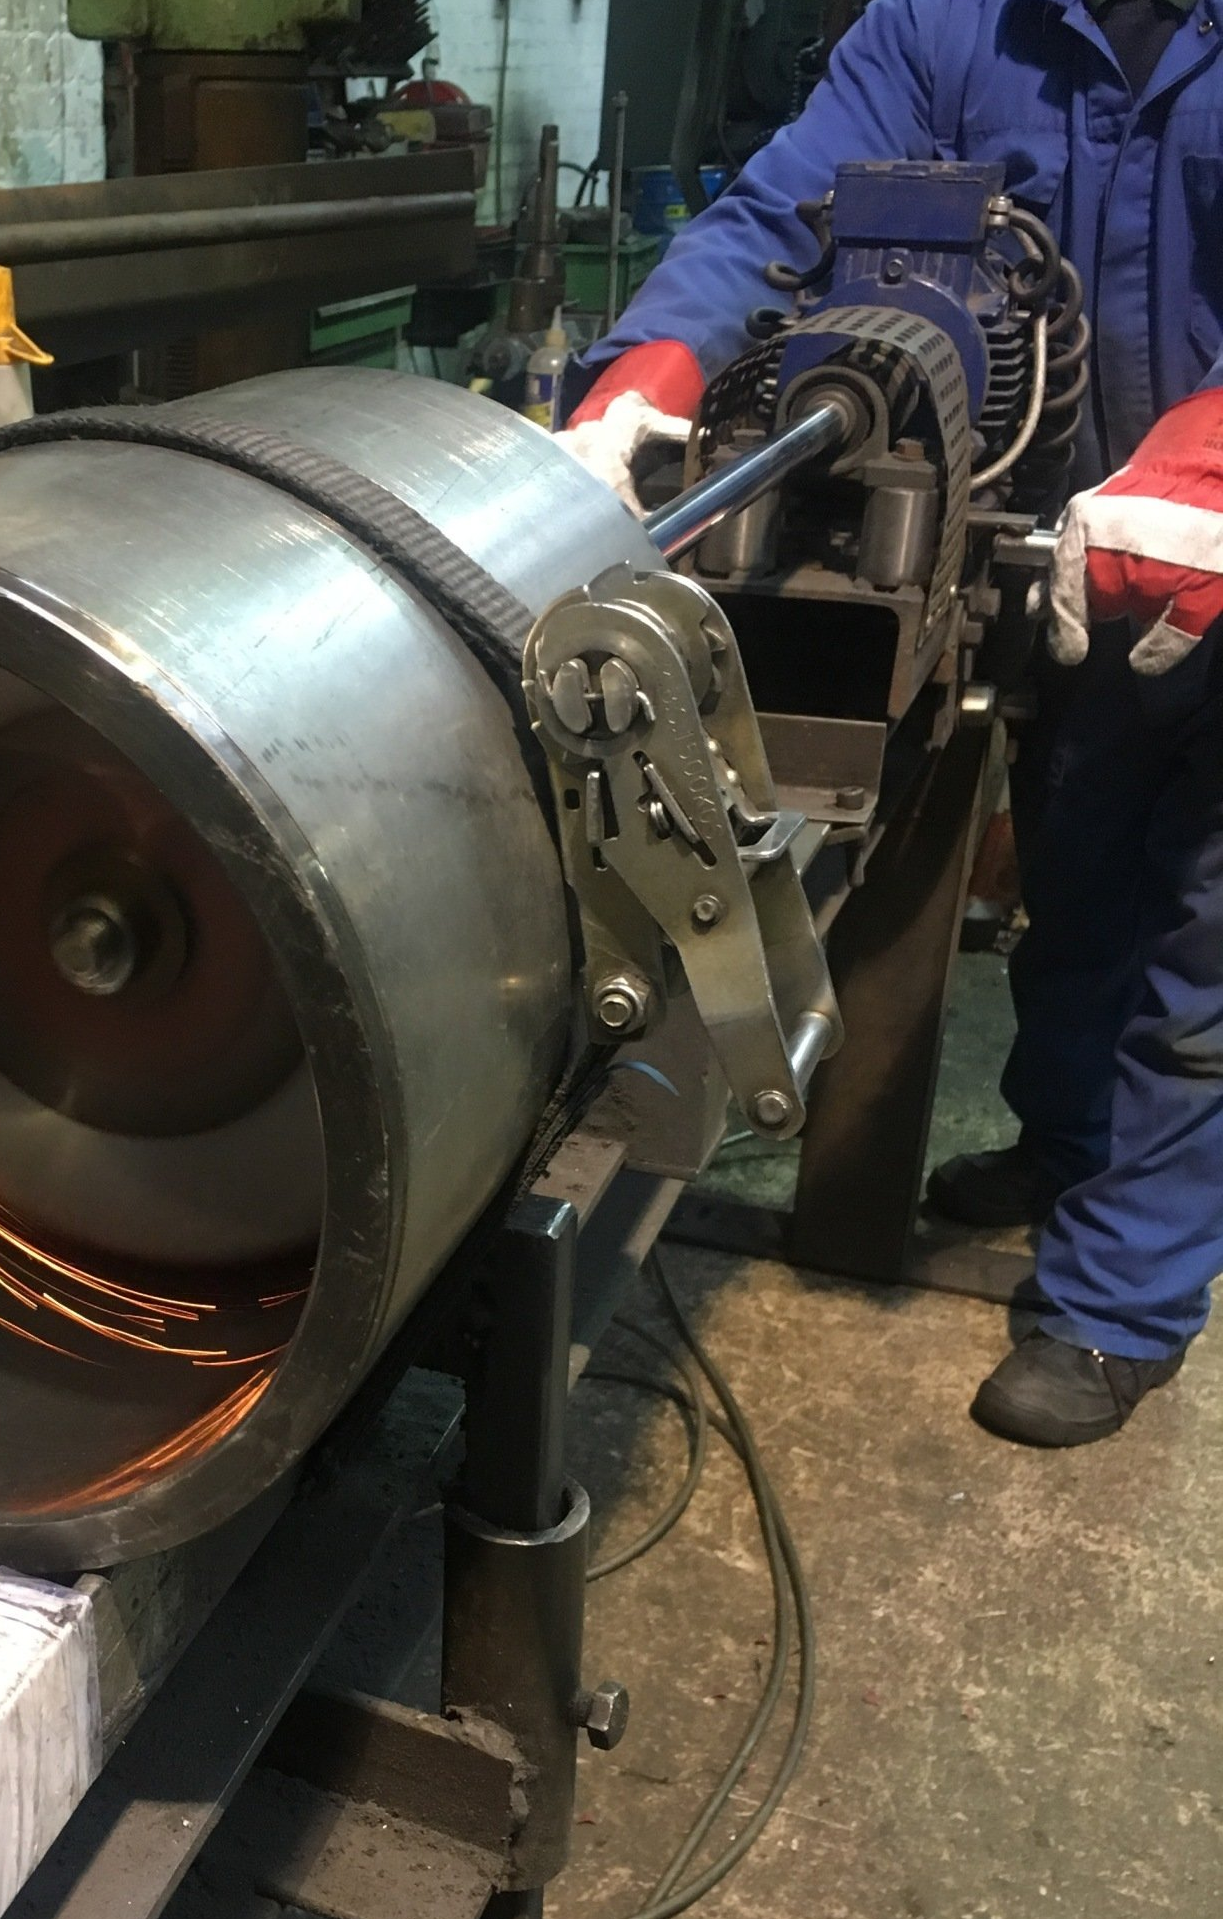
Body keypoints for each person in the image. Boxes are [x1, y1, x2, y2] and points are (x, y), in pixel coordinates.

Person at [562, 0, 1223, 1448]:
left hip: (1209, 545)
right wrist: (648, 374)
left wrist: (1211, 467)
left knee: (1203, 954)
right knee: (1079, 876)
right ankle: (1069, 1157)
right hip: (1061, 566)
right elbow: (782, 208)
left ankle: (1123, 1298)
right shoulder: (952, 23)